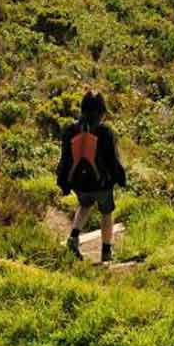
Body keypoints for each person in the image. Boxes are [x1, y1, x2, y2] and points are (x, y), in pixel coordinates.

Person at [57, 91, 126, 263]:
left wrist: (63, 182)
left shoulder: (70, 130)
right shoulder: (105, 132)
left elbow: (65, 159)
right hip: (101, 183)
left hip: (79, 183)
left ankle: (73, 237)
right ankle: (106, 251)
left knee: (85, 204)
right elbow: (112, 160)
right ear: (102, 112)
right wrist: (120, 178)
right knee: (106, 213)